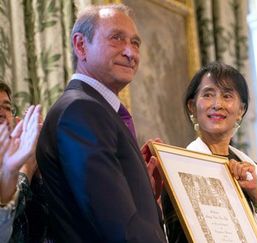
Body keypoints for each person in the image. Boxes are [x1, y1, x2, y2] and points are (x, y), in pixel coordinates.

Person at [35, 4, 165, 242]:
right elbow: (119, 229)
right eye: (117, 38)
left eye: (135, 43)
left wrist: (144, 191)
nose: (131, 53)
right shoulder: (81, 110)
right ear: (81, 45)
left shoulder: (99, 110)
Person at [162, 62, 257, 243]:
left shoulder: (252, 170)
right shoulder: (178, 168)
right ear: (192, 106)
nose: (217, 104)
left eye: (227, 96)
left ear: (241, 110)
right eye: (208, 95)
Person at [0, 82, 43, 242]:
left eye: (7, 107)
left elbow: (41, 226)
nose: (3, 114)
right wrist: (26, 171)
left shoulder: (20, 151)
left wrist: (38, 165)